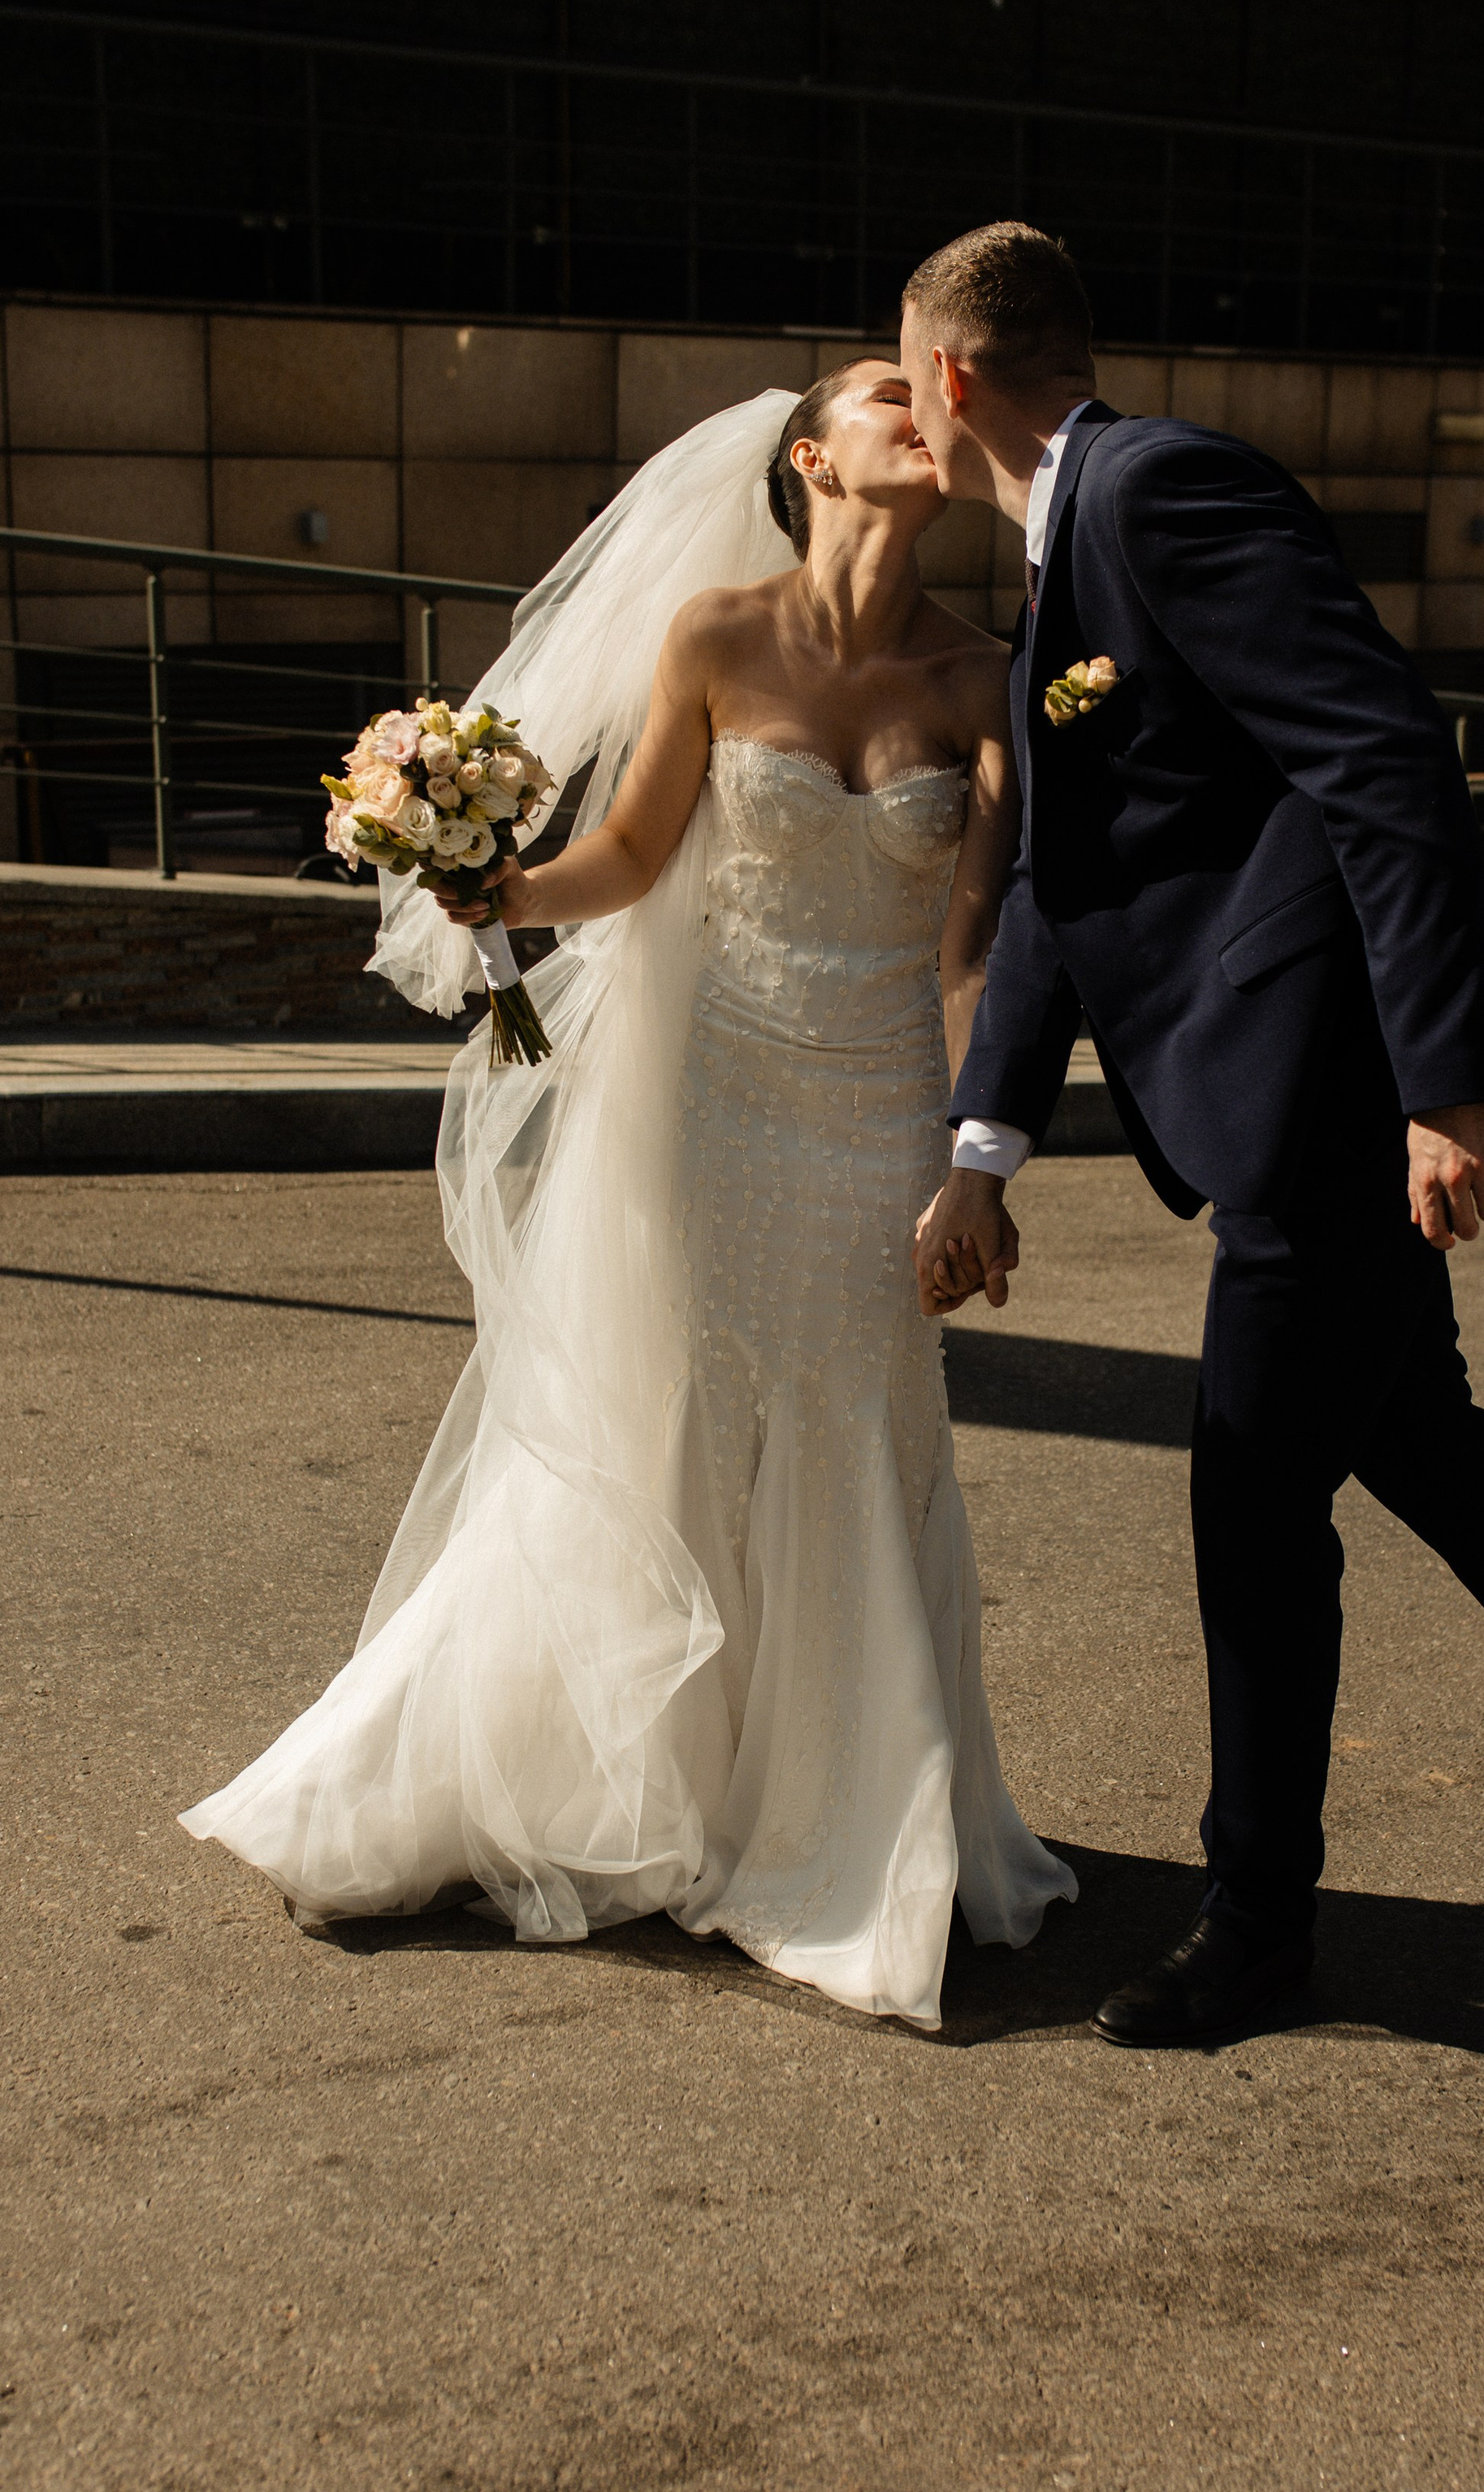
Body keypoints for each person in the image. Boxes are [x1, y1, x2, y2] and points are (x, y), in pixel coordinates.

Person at [902, 219, 1484, 2049]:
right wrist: (984, 1139)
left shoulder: (1156, 493)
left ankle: (1255, 1925)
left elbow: (1379, 746)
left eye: (902, 376)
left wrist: (1442, 1077)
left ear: (953, 376)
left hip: (1317, 1088)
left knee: (1249, 1491)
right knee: (1426, 1451)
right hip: (1267, 1088)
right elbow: (1076, 885)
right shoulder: (1070, 552)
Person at [180, 370, 1075, 2032]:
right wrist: (484, 878)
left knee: (854, 1422)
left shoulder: (982, 673)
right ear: (807, 459)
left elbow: (974, 951)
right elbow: (633, 858)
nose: (915, 416)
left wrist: (977, 1159)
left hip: (878, 1104)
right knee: (679, 1419)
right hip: (717, 1099)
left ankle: (837, 1818)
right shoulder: (717, 637)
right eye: (883, 398)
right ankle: (632, 1786)